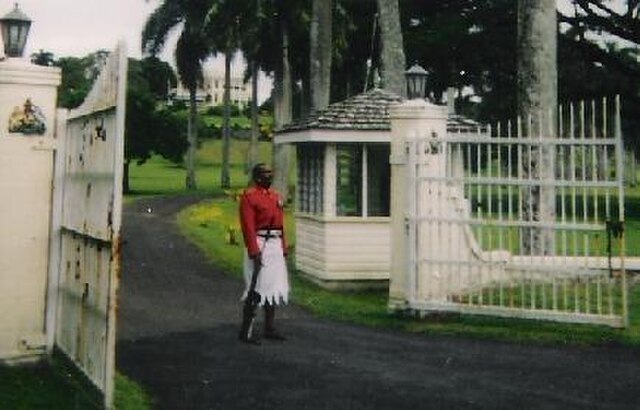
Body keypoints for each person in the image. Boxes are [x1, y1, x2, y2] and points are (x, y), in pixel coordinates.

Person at [238, 163, 289, 344]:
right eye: (266, 173)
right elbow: (248, 226)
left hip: (275, 244)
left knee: (273, 286)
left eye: (271, 172)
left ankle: (269, 327)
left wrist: (284, 246)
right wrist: (253, 250)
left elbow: (281, 225)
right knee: (257, 286)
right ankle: (247, 331)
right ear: (257, 177)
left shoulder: (275, 197)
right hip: (260, 243)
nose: (270, 176)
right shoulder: (250, 197)